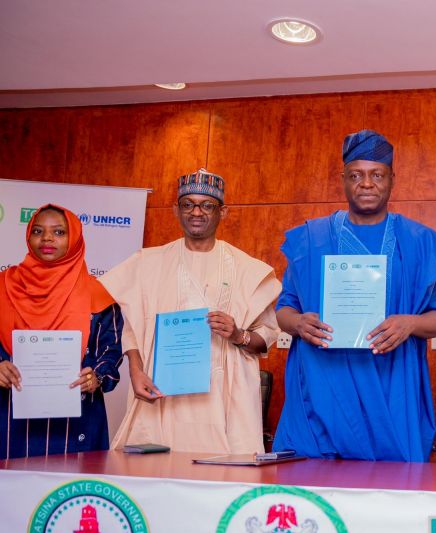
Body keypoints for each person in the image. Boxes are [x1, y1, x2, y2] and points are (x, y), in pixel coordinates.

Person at [273, 130, 436, 461]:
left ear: (392, 179)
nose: (367, 184)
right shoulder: (312, 238)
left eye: (377, 175)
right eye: (356, 175)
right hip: (322, 387)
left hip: (392, 389)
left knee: (393, 496)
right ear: (343, 179)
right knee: (313, 495)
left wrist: (410, 323)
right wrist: (299, 323)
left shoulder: (419, 241)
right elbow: (284, 309)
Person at [101, 169, 281, 454]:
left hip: (224, 398)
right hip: (162, 395)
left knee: (222, 482)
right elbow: (132, 326)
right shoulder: (148, 263)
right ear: (176, 210)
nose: (196, 212)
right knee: (156, 478)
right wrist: (135, 370)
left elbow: (266, 336)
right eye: (188, 204)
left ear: (224, 211)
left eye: (207, 205)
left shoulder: (248, 268)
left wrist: (237, 334)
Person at [0, 204, 124, 458]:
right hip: (10, 416)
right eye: (37, 231)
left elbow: (111, 351)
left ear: (75, 239)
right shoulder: (2, 286)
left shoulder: (97, 294)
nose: (46, 238)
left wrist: (97, 376)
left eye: (58, 232)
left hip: (77, 420)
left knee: (71, 496)